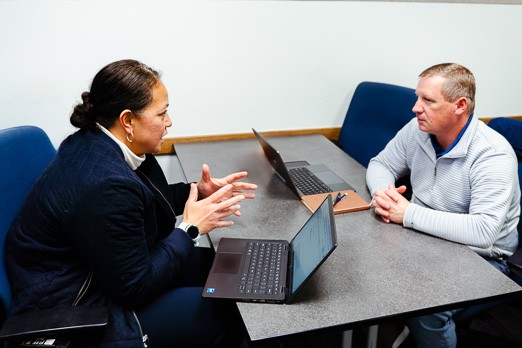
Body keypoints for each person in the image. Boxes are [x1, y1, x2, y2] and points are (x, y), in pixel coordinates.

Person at [6, 59, 257, 347]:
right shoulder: (105, 184)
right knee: (225, 308)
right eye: (161, 113)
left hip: (104, 271)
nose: (169, 122)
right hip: (79, 305)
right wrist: (190, 229)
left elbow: (138, 201)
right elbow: (135, 288)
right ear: (128, 121)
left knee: (228, 267)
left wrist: (197, 192)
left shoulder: (96, 142)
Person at [366, 63, 520, 348]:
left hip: (482, 258)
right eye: (417, 97)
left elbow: (483, 232)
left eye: (428, 100)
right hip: (424, 238)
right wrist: (384, 193)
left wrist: (408, 212)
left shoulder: (493, 154)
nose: (415, 108)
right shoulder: (418, 129)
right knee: (365, 266)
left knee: (426, 307)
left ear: (460, 105)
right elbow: (382, 163)